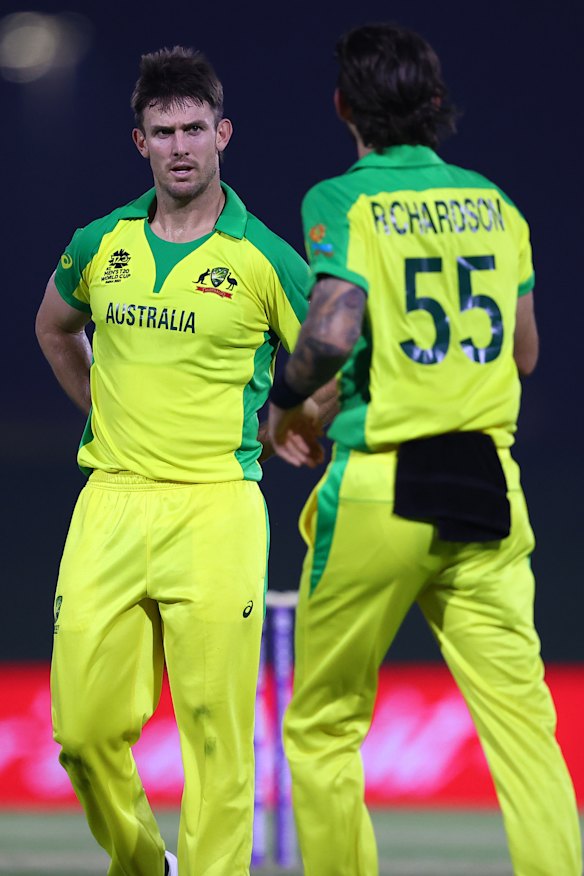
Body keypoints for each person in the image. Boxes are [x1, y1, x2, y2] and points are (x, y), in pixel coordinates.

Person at [267, 22, 582, 876]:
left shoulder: (345, 199)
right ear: (436, 106)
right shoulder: (497, 203)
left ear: (344, 107)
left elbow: (332, 330)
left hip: (383, 488)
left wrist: (286, 401)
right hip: (488, 486)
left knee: (324, 726)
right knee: (524, 727)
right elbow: (523, 352)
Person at [35, 45, 327, 876]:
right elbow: (54, 328)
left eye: (195, 127)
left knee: (215, 737)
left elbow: (336, 353)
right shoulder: (100, 242)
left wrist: (295, 421)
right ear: (140, 143)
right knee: (83, 733)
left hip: (217, 506)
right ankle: (142, 862)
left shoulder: (264, 258)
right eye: (162, 131)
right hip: (112, 502)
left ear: (223, 132)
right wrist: (103, 409)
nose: (180, 145)